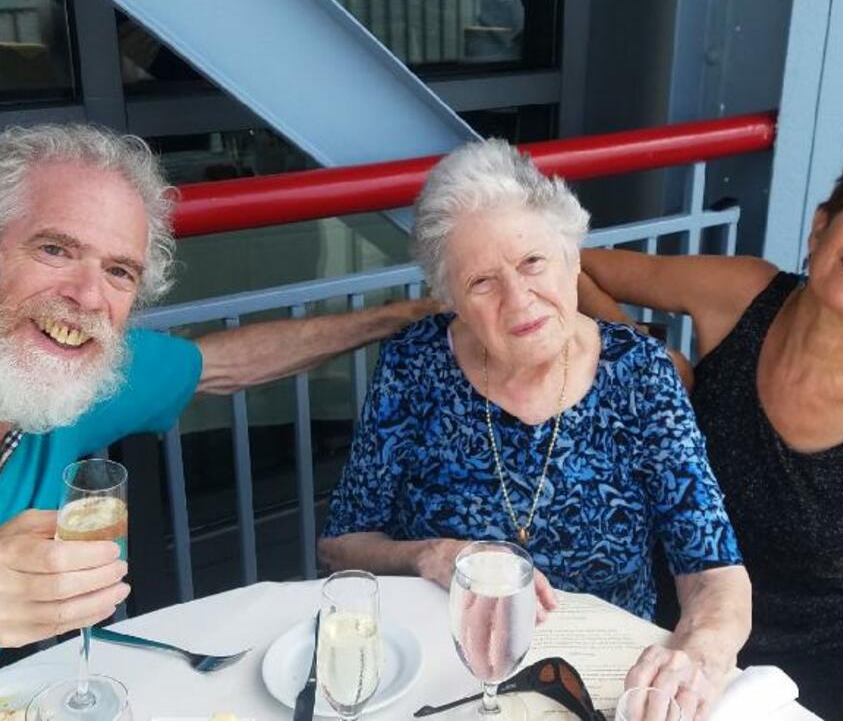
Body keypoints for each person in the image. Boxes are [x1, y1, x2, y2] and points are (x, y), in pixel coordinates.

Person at [0, 124, 435, 717]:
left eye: (118, 271)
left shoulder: (65, 372)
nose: (86, 297)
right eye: (54, 250)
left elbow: (225, 364)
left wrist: (404, 317)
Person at [318, 139, 750, 721]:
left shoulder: (642, 376)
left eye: (532, 262)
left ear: (572, 258)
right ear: (452, 302)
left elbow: (715, 573)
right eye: (482, 283)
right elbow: (339, 547)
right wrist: (430, 555)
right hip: (449, 674)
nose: (519, 299)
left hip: (596, 682)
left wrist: (700, 652)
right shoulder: (413, 366)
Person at [580, 127, 843, 720]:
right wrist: (648, 359)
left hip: (842, 650)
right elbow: (564, 264)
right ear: (821, 227)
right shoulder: (743, 293)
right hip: (692, 620)